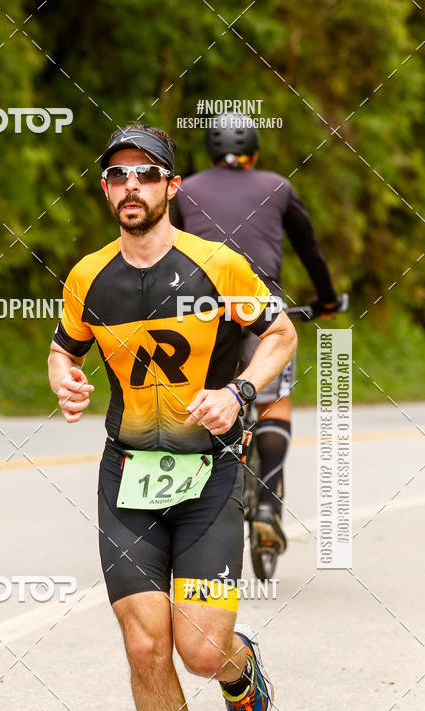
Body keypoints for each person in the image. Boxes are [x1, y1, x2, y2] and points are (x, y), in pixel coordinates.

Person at [48, 123, 297, 711]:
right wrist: (63, 379)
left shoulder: (217, 266)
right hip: (127, 474)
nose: (132, 188)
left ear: (171, 187)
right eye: (118, 176)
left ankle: (238, 660)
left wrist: (242, 393)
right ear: (105, 190)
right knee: (145, 646)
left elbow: (279, 333)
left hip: (211, 472)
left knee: (197, 649)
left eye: (146, 175)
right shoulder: (88, 276)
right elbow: (65, 349)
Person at [171, 116, 338, 553]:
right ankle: (266, 506)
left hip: (199, 311)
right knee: (272, 401)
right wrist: (326, 300)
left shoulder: (185, 189)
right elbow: (309, 249)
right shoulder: (278, 187)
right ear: (255, 153)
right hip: (260, 307)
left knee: (202, 400)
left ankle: (188, 511)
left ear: (208, 152)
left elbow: (168, 249)